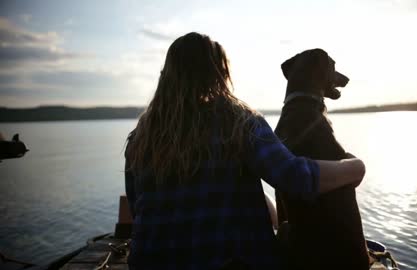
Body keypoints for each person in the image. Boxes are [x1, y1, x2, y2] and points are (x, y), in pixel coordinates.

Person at [124, 32, 366, 270]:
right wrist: (354, 167)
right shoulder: (239, 122)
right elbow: (295, 178)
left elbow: (138, 208)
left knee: (266, 206)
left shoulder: (140, 138)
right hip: (233, 264)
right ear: (219, 74)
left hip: (149, 263)